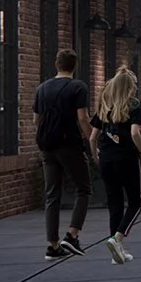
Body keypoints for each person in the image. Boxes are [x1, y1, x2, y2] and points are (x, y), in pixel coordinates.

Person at [33, 49, 94, 260]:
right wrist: (92, 142)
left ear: (56, 65)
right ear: (74, 66)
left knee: (52, 194)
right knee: (84, 188)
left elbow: (36, 120)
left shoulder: (42, 88)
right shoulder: (78, 87)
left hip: (46, 146)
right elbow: (83, 118)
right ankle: (72, 234)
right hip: (69, 145)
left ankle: (52, 245)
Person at [93, 64, 141, 265]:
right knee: (136, 202)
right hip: (126, 158)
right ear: (130, 86)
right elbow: (134, 133)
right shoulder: (134, 105)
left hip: (106, 158)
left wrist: (95, 155)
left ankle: (117, 253)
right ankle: (118, 238)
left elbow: (92, 137)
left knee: (114, 203)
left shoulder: (104, 105)